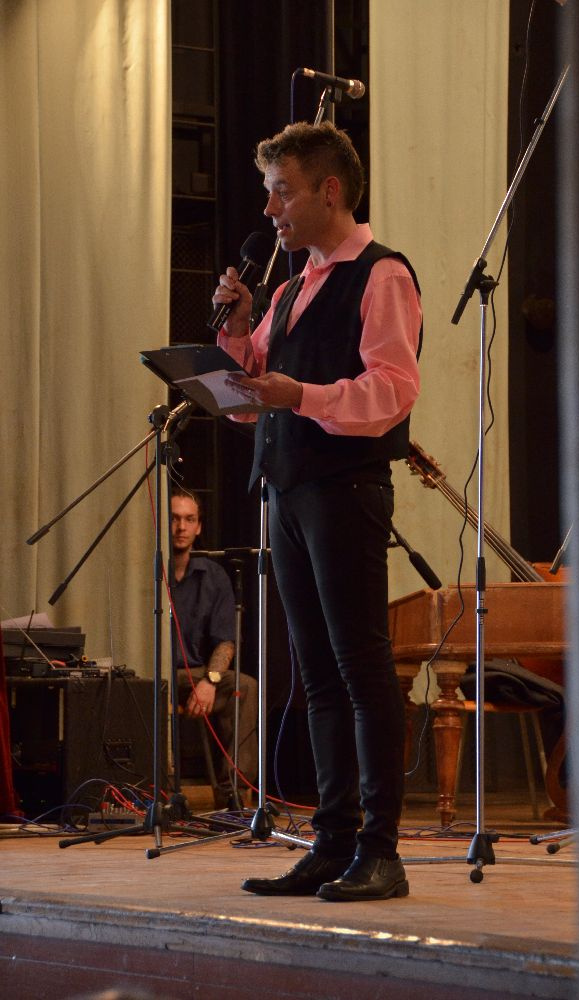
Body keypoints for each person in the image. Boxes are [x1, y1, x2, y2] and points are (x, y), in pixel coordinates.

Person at [212, 120, 422, 901]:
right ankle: (333, 845)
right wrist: (239, 330)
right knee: (319, 676)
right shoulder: (290, 288)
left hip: (345, 489)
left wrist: (299, 394)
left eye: (282, 192)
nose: (270, 209)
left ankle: (381, 850)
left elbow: (391, 391)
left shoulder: (382, 274)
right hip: (289, 492)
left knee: (363, 669)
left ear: (329, 191)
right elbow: (248, 400)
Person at [170, 488, 257, 810]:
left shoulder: (213, 575)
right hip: (151, 672)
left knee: (245, 687)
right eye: (174, 519)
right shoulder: (145, 570)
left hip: (192, 674)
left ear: (199, 527)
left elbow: (226, 641)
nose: (181, 527)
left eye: (189, 519)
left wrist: (210, 680)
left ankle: (235, 793)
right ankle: (155, 791)